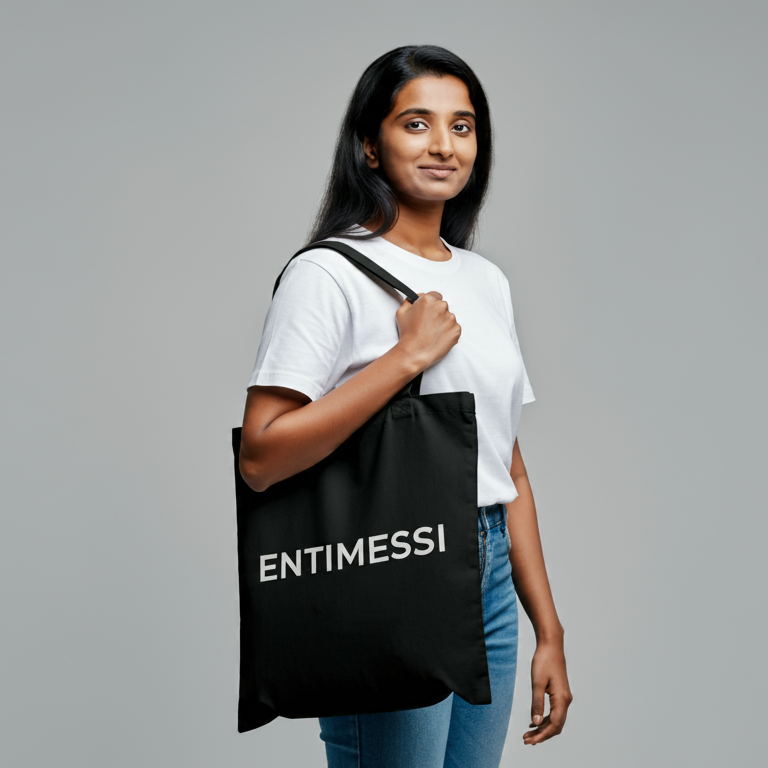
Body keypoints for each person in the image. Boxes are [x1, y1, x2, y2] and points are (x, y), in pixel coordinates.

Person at [239, 44, 572, 767]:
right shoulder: (327, 274)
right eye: (416, 124)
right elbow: (261, 457)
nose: (444, 145)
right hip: (395, 562)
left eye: (463, 126)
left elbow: (506, 464)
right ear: (369, 144)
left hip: (487, 575)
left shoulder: (487, 281)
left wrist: (548, 628)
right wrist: (405, 360)